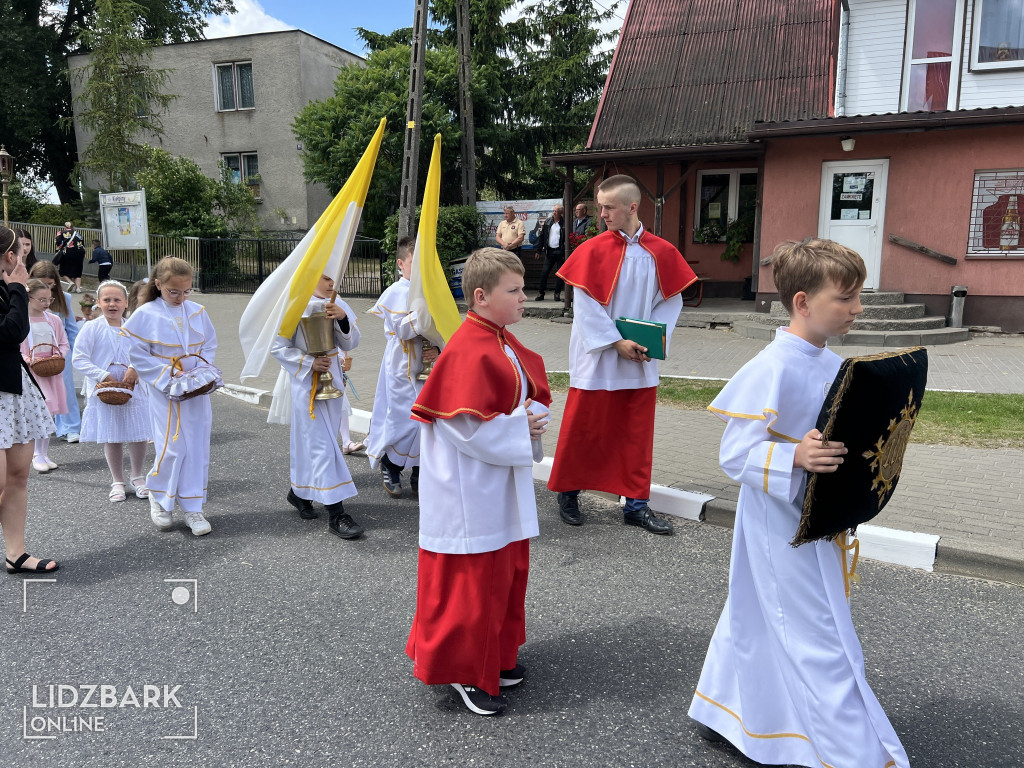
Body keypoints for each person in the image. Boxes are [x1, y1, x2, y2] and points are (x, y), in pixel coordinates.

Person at [687, 238, 909, 768]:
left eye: (860, 296)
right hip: (779, 523)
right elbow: (735, 455)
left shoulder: (829, 360)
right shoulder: (773, 365)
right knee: (814, 634)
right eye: (846, 298)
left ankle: (729, 712)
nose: (858, 308)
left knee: (759, 613)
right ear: (803, 302)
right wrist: (795, 458)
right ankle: (851, 753)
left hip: (817, 519)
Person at [405, 247, 551, 716]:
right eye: (516, 290)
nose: (525, 296)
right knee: (471, 582)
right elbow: (462, 427)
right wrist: (519, 426)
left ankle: (498, 656)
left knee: (503, 575)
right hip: (467, 488)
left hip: (496, 482)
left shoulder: (500, 340)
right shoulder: (467, 349)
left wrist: (528, 418)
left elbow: (514, 398)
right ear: (482, 297)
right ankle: (464, 670)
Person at [547, 175, 696, 533]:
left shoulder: (661, 252)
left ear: (632, 207)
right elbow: (584, 306)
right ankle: (568, 494)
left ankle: (636, 505)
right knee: (584, 429)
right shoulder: (591, 250)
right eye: (599, 207)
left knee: (635, 433)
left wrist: (650, 343)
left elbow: (670, 302)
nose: (601, 214)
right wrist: (615, 342)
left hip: (639, 360)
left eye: (608, 207)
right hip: (598, 357)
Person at [123, 257, 217, 536]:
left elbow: (209, 345)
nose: (180, 297)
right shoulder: (145, 314)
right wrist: (168, 377)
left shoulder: (198, 311)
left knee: (197, 446)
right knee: (173, 447)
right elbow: (137, 354)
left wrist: (200, 373)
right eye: (173, 291)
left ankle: (193, 506)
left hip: (196, 390)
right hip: (165, 390)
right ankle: (160, 497)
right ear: (158, 284)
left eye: (186, 291)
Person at [270, 273, 364, 539]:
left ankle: (299, 492)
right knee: (323, 446)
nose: (330, 283)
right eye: (323, 278)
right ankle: (337, 514)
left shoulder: (336, 302)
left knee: (318, 443)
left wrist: (343, 318)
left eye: (332, 278)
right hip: (307, 385)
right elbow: (278, 346)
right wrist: (309, 362)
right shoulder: (293, 304)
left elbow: (351, 341)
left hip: (332, 380)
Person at [0, 226, 59, 574]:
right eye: (18, 253)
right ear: (11, 256)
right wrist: (19, 289)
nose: (22, 258)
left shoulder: (6, 286)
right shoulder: (12, 286)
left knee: (18, 478)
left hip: (14, 391)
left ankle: (16, 553)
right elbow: (11, 332)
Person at [365, 237, 438, 498]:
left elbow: (442, 328)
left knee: (426, 419)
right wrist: (428, 312)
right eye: (413, 263)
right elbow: (402, 328)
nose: (419, 269)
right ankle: (391, 464)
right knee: (403, 420)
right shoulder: (397, 291)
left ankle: (420, 472)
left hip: (427, 364)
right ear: (401, 264)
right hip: (402, 363)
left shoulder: (430, 290)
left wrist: (438, 347)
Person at [72, 280, 152, 504]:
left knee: (138, 433)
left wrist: (135, 368)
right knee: (112, 435)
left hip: (133, 388)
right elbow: (79, 358)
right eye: (106, 300)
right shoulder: (92, 328)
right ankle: (117, 480)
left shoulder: (135, 328)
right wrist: (101, 375)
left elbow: (146, 353)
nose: (112, 304)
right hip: (104, 389)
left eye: (117, 299)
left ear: (126, 303)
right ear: (98, 303)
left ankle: (138, 475)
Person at [29, 259, 82, 443]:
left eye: (50, 284)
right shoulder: (25, 298)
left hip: (60, 353)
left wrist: (72, 354)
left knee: (65, 389)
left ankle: (71, 427)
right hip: (33, 353)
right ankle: (42, 426)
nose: (46, 288)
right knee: (37, 392)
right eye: (41, 283)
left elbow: (71, 329)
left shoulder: (63, 298)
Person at [20, 278, 69, 472]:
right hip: (31, 371)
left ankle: (43, 453)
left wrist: (59, 355)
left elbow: (64, 343)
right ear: (29, 298)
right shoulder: (21, 319)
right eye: (42, 300)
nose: (47, 304)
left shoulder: (54, 320)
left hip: (50, 370)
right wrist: (27, 359)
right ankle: (35, 454)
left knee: (49, 413)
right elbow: (14, 346)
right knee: (38, 412)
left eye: (49, 299)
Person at [534, 204, 565, 302]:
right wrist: (539, 250)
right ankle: (541, 293)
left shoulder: (565, 223)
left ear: (561, 213)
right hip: (550, 251)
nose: (554, 213)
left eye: (556, 211)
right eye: (554, 211)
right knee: (544, 273)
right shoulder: (548, 221)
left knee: (560, 274)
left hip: (560, 251)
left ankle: (557, 293)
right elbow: (542, 236)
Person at [55, 221, 86, 293]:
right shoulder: (78, 233)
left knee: (63, 269)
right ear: (73, 227)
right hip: (80, 253)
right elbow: (82, 243)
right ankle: (78, 288)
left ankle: (70, 282)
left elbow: (58, 242)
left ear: (64, 227)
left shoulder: (61, 232)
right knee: (78, 270)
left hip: (68, 252)